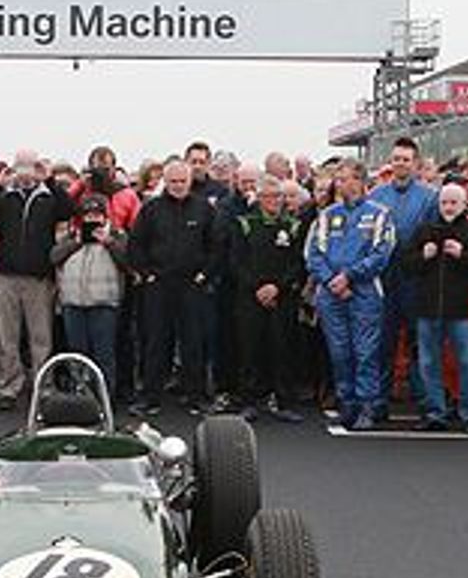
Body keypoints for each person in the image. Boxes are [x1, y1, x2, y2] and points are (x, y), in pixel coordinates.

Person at [304, 162, 396, 431]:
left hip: (364, 291)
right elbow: (313, 254)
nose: (339, 184)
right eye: (337, 179)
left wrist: (350, 276)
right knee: (339, 351)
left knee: (365, 351)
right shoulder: (326, 215)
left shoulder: (379, 214)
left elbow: (381, 253)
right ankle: (347, 404)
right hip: (331, 292)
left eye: (343, 179)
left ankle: (368, 405)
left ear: (358, 181)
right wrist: (331, 280)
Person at [128, 158, 221, 416]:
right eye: (173, 181)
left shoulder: (204, 209)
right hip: (159, 285)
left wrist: (204, 275)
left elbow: (216, 247)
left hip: (192, 285)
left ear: (190, 181)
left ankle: (196, 397)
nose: (178, 186)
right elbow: (136, 244)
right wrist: (146, 274)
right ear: (165, 182)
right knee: (156, 342)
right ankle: (150, 397)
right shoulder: (151, 209)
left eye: (182, 181)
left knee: (194, 342)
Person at [400, 183, 468, 432]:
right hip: (428, 309)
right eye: (444, 202)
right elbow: (406, 265)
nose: (448, 207)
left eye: (453, 203)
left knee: (466, 362)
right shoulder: (425, 231)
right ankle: (435, 413)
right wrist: (423, 256)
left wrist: (462, 255)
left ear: (464, 205)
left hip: (461, 310)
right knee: (428, 363)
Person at [0, 150, 72, 411]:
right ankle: (9, 386)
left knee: (41, 337)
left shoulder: (48, 196)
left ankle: (42, 386)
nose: (25, 172)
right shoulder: (6, 196)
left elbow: (68, 211)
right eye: (20, 166)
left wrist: (50, 180)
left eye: (30, 166)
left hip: (38, 277)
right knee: (8, 337)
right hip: (7, 275)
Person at [368, 137, 438, 418]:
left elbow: (433, 235)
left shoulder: (430, 197)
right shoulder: (375, 195)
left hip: (415, 279)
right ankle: (378, 402)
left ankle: (426, 403)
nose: (401, 163)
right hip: (383, 278)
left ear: (415, 163)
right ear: (391, 161)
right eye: (397, 158)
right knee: (382, 342)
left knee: (419, 342)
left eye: (406, 159)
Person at [229, 174, 308, 422]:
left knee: (282, 349)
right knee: (249, 349)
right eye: (269, 196)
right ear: (259, 198)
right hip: (250, 297)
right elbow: (236, 261)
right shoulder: (244, 223)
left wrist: (278, 287)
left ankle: (283, 401)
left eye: (278, 196)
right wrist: (258, 287)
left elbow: (298, 262)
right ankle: (249, 401)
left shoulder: (293, 225)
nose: (274, 201)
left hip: (283, 298)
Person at [51, 192, 129, 399]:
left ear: (105, 216)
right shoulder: (71, 237)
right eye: (88, 215)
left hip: (104, 303)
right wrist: (76, 242)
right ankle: (80, 396)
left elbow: (128, 261)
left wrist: (108, 242)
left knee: (104, 354)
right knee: (77, 354)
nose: (92, 219)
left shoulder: (117, 235)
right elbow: (54, 257)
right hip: (73, 302)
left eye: (96, 215)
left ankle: (105, 397)